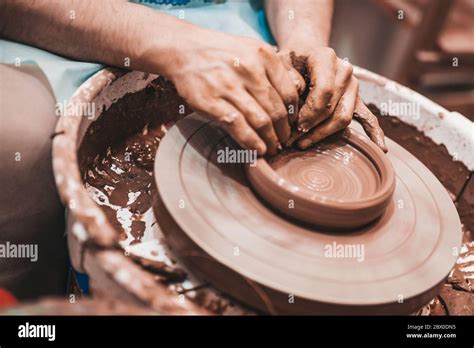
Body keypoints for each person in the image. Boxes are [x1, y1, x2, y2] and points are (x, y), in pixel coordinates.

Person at [0, 0, 385, 299]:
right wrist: (178, 44)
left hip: (231, 22)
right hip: (66, 22)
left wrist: (304, 42)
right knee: (18, 145)